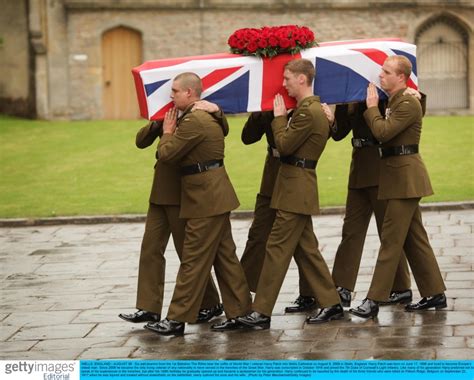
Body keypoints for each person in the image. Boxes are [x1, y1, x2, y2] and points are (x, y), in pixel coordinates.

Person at [237, 59, 343, 329]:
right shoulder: (310, 110)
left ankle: (261, 311)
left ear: (302, 80)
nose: (283, 84)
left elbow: (284, 145)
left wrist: (279, 118)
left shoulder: (308, 112)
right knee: (306, 249)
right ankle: (331, 304)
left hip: (295, 187)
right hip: (293, 186)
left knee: (277, 248)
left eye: (287, 79)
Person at [145, 72, 252, 335]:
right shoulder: (206, 115)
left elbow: (167, 154)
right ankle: (241, 313)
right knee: (225, 257)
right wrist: (218, 111)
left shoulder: (194, 121)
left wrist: (167, 133)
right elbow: (224, 128)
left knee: (192, 259)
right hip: (213, 195)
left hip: (205, 198)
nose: (171, 96)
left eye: (175, 91)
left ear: (190, 93)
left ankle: (176, 319)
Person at [349, 55, 447, 318]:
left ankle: (373, 300)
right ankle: (435, 293)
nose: (381, 75)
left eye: (387, 72)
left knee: (391, 241)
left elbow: (382, 132)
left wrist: (371, 108)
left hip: (405, 179)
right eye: (382, 70)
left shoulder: (406, 103)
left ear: (401, 77)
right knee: (415, 239)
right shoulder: (399, 100)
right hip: (398, 178)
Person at [323, 88, 427, 308]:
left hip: (382, 168)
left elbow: (405, 114)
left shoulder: (382, 92)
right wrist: (332, 121)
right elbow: (340, 132)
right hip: (359, 166)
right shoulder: (349, 91)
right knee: (350, 230)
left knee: (388, 231)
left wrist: (417, 94)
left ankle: (400, 288)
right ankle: (342, 287)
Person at [118, 117, 224, 325]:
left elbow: (223, 128)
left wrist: (216, 111)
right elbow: (141, 141)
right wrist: (158, 123)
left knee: (186, 251)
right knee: (150, 248)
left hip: (181, 191)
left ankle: (210, 302)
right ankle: (149, 307)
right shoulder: (166, 114)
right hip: (160, 188)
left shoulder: (197, 114)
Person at [240, 111, 317, 313]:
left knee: (301, 239)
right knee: (257, 234)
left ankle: (312, 293)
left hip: (294, 174)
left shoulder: (304, 106)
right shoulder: (267, 108)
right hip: (272, 173)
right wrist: (260, 112)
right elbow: (248, 138)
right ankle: (241, 293)